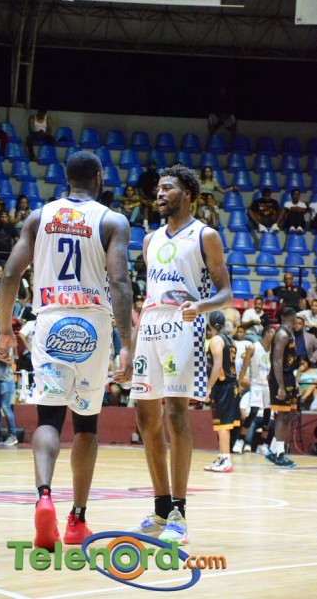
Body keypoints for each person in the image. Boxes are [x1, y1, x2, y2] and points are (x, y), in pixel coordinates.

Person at [0, 150, 133, 550]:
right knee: (86, 425)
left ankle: (43, 497)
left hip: (50, 322)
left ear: (67, 178)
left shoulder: (39, 217)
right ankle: (77, 520)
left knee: (49, 418)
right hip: (93, 327)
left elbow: (10, 273)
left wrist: (5, 330)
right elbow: (120, 283)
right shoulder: (112, 220)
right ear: (99, 177)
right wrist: (127, 343)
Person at [128, 164, 232, 543]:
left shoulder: (206, 235)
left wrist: (201, 307)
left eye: (167, 188)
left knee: (176, 413)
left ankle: (179, 514)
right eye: (158, 188)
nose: (159, 194)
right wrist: (130, 345)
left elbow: (226, 292)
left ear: (187, 194)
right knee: (145, 416)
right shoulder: (150, 239)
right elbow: (149, 295)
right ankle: (160, 508)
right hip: (150, 327)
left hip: (184, 326)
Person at [205, 311, 241, 473]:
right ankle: (222, 456)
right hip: (231, 384)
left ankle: (226, 459)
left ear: (210, 323)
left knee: (223, 425)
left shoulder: (216, 340)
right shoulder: (229, 339)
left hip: (224, 385)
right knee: (222, 424)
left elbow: (218, 365)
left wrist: (209, 387)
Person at [233, 326, 276, 454]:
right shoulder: (253, 347)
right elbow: (244, 366)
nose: (274, 335)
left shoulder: (274, 349)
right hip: (256, 384)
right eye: (272, 332)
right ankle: (240, 441)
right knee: (253, 411)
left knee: (267, 415)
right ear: (266, 333)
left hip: (268, 386)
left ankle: (262, 444)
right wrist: (239, 384)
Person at [265, 307, 298, 467]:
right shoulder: (282, 334)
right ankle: (279, 453)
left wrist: (293, 381)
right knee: (282, 415)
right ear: (291, 317)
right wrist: (280, 386)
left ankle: (272, 449)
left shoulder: (290, 334)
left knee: (292, 413)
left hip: (289, 376)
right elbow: (276, 361)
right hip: (281, 378)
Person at [137, 161, 160, 228]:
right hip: (146, 198)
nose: (152, 167)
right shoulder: (143, 176)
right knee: (146, 206)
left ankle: (162, 223)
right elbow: (140, 188)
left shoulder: (157, 176)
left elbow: (160, 188)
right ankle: (145, 224)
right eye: (151, 165)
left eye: (154, 166)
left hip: (156, 198)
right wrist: (144, 197)